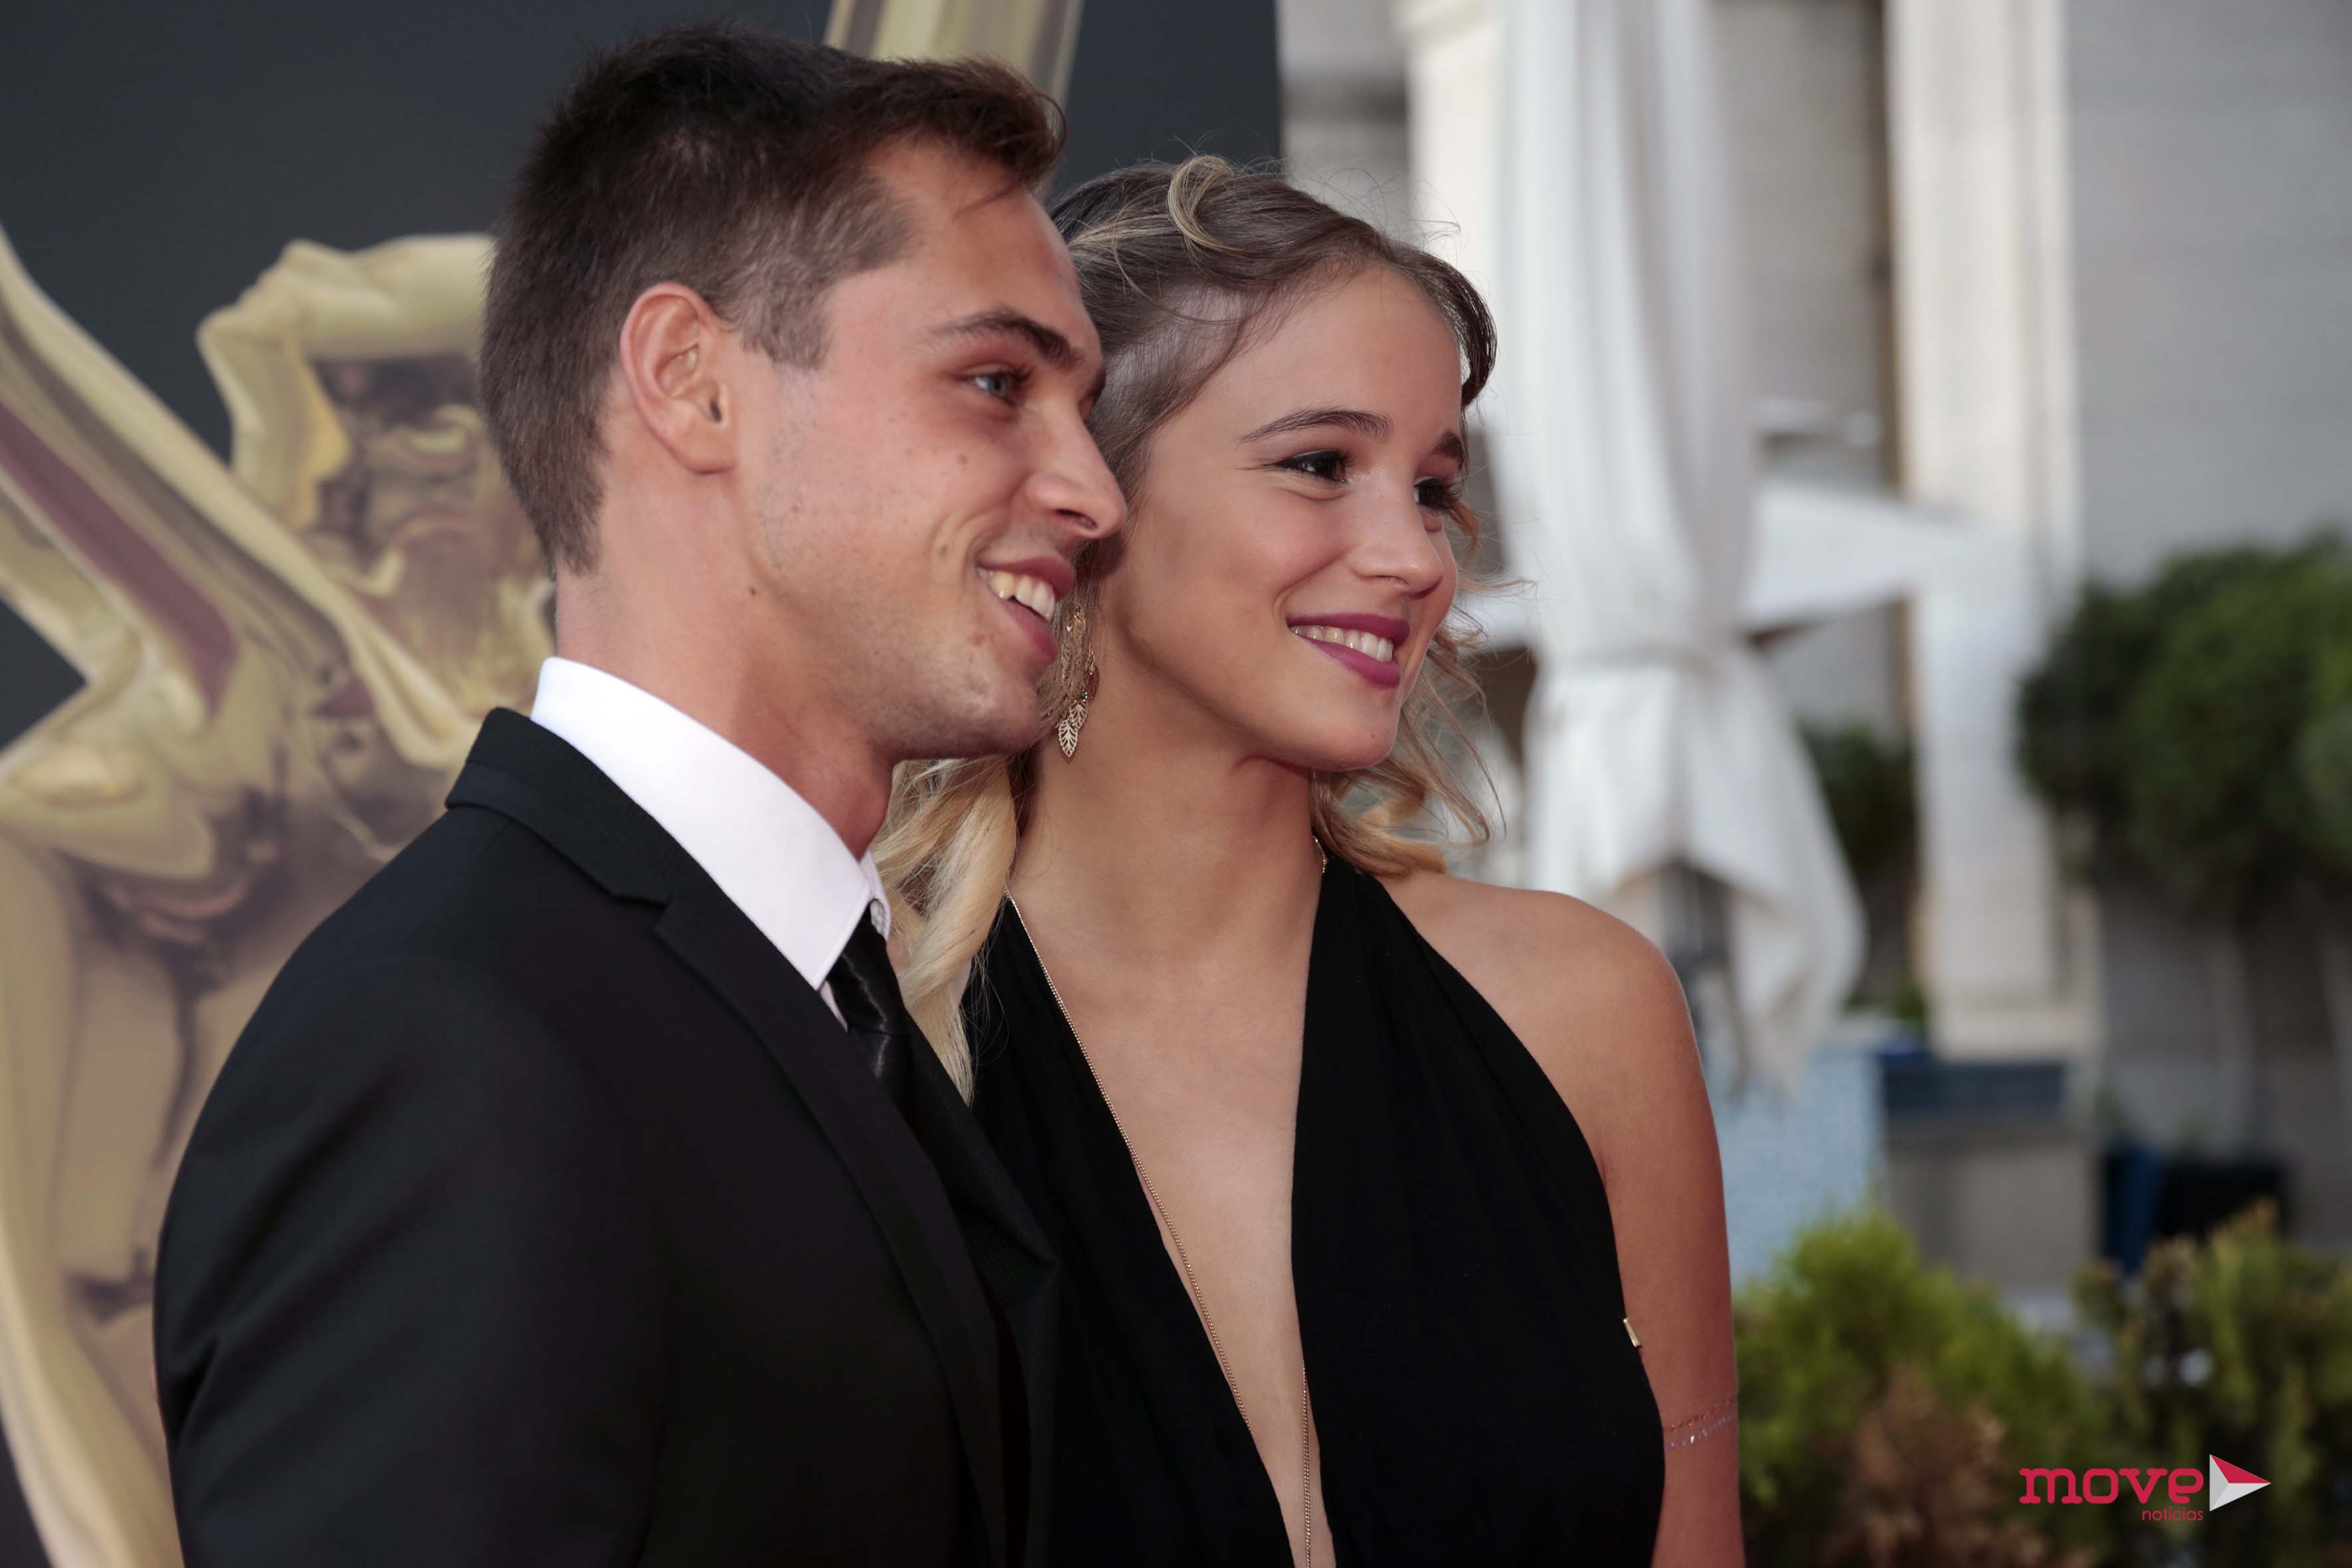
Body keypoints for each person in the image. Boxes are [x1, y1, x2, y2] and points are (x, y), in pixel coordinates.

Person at [153, 25, 1121, 1567]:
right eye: (995, 381)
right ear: (690, 382)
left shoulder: (808, 993)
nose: (1093, 491)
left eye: (1082, 403)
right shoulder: (447, 1049)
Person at [880, 158, 1743, 1566]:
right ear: (1084, 494)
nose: (1414, 557)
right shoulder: (871, 1050)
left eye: (1433, 487)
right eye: (1321, 465)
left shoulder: (1583, 1012)